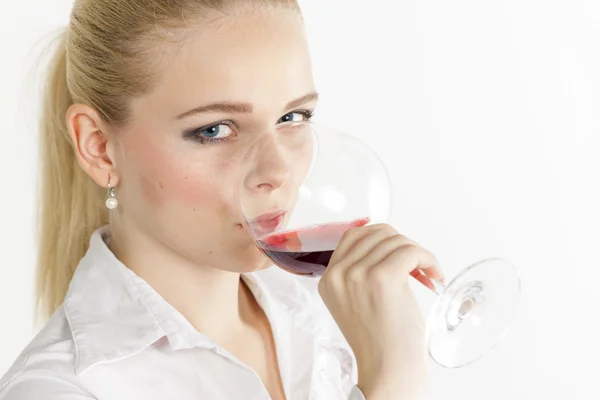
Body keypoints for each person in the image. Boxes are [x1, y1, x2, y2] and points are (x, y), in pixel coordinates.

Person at [0, 0, 443, 399]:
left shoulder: (329, 313)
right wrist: (390, 385)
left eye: (292, 117)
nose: (277, 172)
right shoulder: (62, 389)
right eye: (215, 130)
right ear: (98, 146)